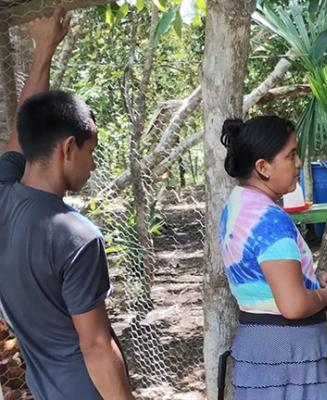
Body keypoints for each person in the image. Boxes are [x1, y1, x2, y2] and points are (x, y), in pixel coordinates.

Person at [0, 10, 134, 400]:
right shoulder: (77, 236)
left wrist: (44, 48)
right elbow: (95, 346)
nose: (92, 165)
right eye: (91, 152)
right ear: (69, 148)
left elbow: (22, 133)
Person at [218, 115, 327, 400]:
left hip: (259, 351)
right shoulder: (270, 219)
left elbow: (263, 275)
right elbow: (293, 305)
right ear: (263, 167)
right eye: (291, 155)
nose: (298, 163)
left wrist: (310, 278)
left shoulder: (237, 205)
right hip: (287, 355)